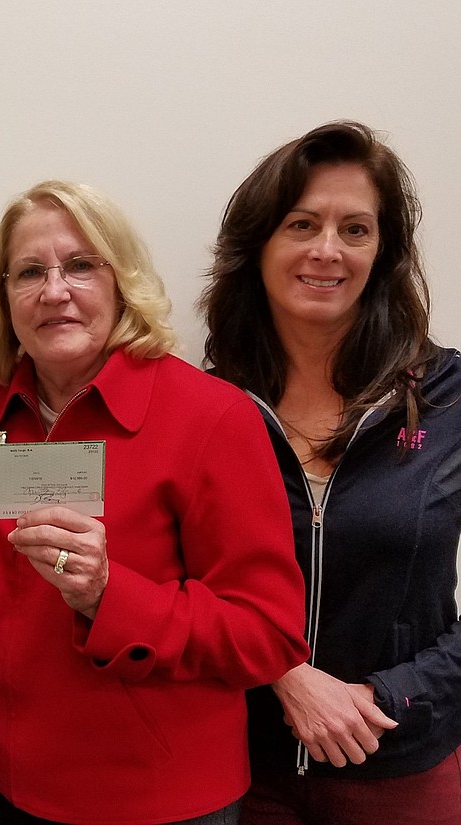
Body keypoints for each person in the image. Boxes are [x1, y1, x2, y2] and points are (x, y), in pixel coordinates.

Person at [0, 179, 309, 825]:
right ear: (4, 296)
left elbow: (269, 635)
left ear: (122, 281)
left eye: (81, 265)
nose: (54, 290)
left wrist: (108, 595)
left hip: (158, 800)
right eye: (29, 271)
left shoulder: (213, 416)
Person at [200, 121, 461, 824]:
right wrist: (285, 674)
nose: (326, 249)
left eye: (355, 229)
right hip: (237, 766)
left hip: (402, 761)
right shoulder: (206, 406)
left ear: (384, 252)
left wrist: (395, 694)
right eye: (302, 223)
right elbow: (181, 583)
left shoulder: (451, 395)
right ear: (259, 246)